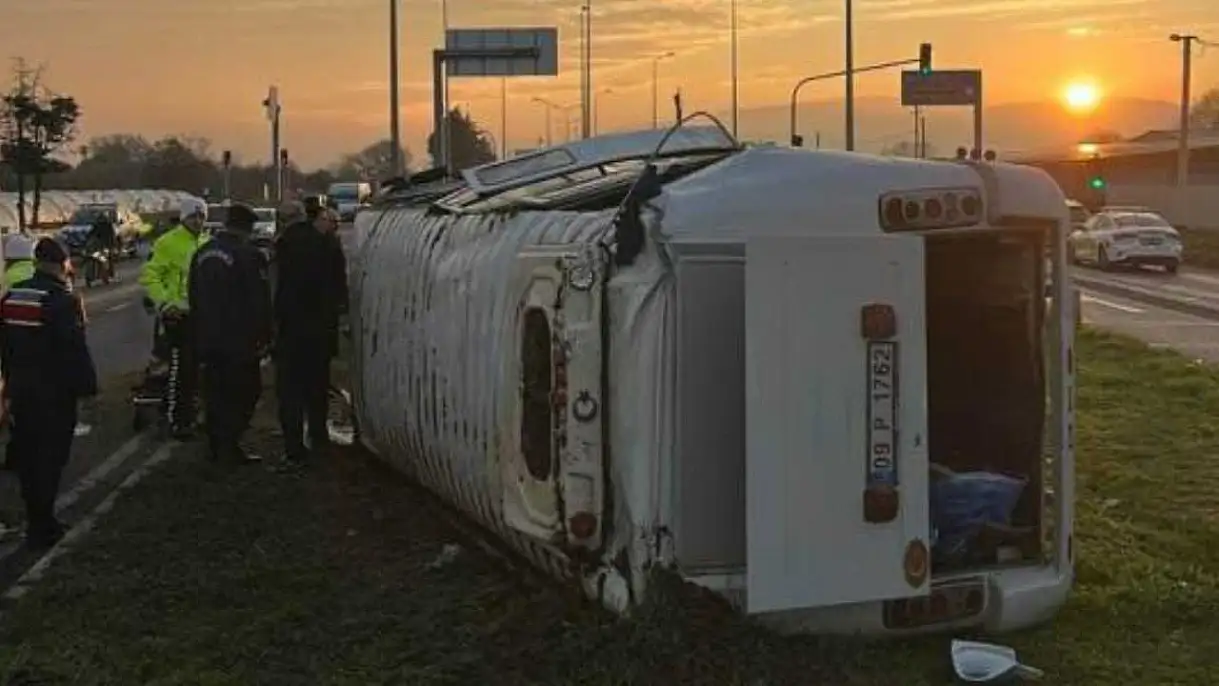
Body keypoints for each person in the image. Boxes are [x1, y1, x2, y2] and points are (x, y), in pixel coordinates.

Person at [0, 238, 98, 551]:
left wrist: (8, 383)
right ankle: (43, 525)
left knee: (28, 456)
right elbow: (73, 349)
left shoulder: (12, 296)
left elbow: (4, 346)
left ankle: (36, 520)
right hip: (54, 393)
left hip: (20, 390)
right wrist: (88, 388)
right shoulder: (62, 300)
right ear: (61, 263)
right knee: (52, 457)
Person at [189, 203, 271, 464]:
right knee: (246, 392)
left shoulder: (202, 253)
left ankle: (216, 446)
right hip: (239, 340)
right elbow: (258, 301)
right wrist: (264, 335)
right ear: (247, 228)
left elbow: (193, 294)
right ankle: (230, 443)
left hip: (208, 338)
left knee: (215, 393)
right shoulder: (249, 255)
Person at [273, 205, 348, 466]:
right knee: (317, 387)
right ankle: (318, 437)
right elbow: (339, 289)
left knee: (290, 393)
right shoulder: (328, 245)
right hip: (319, 332)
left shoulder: (283, 246)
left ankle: (294, 447)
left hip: (290, 331)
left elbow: (275, 290)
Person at [139, 198, 210, 439]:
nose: (198, 221)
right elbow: (150, 276)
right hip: (177, 316)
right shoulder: (167, 242)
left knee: (200, 370)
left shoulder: (206, 243)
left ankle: (194, 414)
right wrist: (164, 304)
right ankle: (177, 420)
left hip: (201, 315)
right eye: (193, 217)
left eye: (201, 217)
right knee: (181, 370)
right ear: (183, 218)